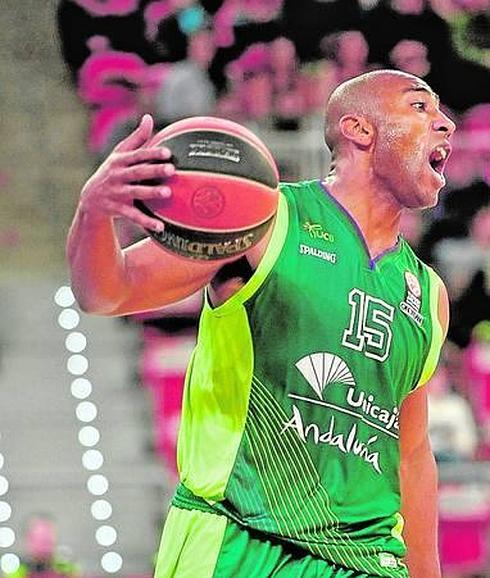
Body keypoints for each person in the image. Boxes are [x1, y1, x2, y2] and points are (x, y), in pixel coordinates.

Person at [67, 69, 455, 577]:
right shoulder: (265, 218)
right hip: (241, 541)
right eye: (420, 107)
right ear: (358, 130)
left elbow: (412, 455)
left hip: (367, 560)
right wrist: (94, 213)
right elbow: (107, 291)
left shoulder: (427, 294)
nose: (445, 123)